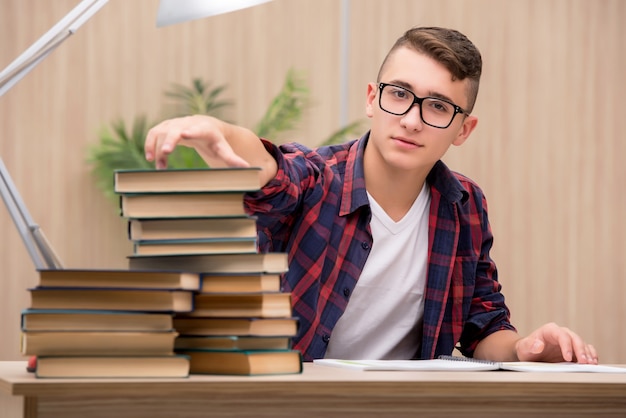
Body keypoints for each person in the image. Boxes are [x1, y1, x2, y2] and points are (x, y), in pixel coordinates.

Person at [144, 26, 598, 364]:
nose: (412, 119)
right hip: (287, 402)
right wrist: (214, 129)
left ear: (464, 129)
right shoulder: (318, 178)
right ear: (371, 99)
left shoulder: (464, 205)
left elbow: (483, 332)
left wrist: (530, 348)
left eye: (438, 106)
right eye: (399, 94)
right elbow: (271, 169)